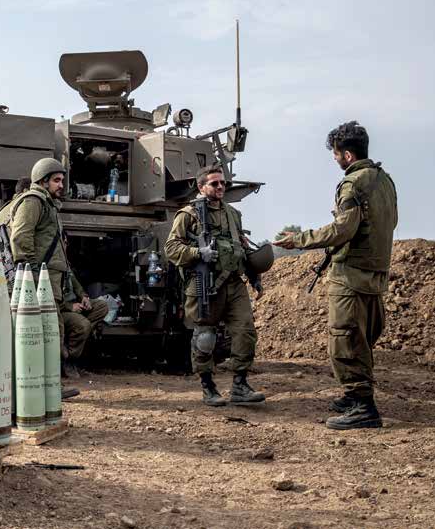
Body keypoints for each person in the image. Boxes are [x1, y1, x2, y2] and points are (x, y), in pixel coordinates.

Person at [273, 121, 397, 430]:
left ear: (348, 155)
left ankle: (362, 405)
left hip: (351, 275)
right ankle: (353, 396)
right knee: (363, 336)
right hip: (376, 272)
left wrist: (298, 240)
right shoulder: (385, 180)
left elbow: (344, 229)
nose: (334, 159)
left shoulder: (352, 183)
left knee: (345, 339)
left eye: (336, 154)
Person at [164, 166, 265, 407]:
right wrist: (198, 252)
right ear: (201, 188)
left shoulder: (232, 214)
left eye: (223, 184)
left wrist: (254, 276)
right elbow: (171, 249)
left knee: (245, 332)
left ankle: (240, 385)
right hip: (205, 284)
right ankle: (208, 387)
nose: (221, 187)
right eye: (215, 184)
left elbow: (240, 246)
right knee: (205, 337)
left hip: (233, 283)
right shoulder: (188, 215)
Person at [4, 158, 107, 377]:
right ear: (42, 181)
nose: (61, 185)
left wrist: (80, 293)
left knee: (54, 327)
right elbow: (21, 238)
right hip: (42, 278)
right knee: (52, 328)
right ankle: (51, 379)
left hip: (52, 278)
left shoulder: (48, 204)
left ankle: (55, 375)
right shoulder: (33, 201)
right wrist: (32, 275)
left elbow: (60, 259)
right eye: (56, 180)